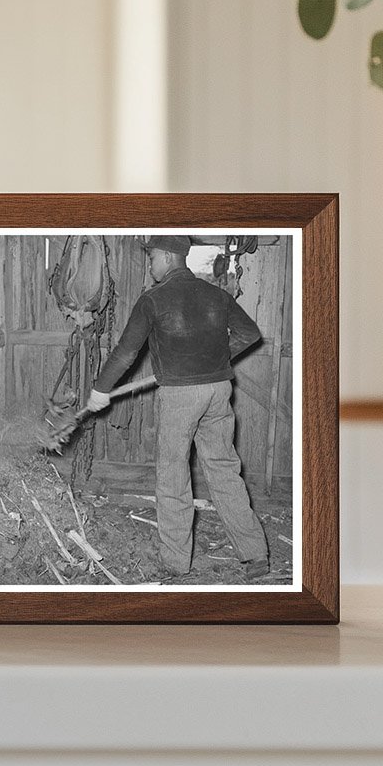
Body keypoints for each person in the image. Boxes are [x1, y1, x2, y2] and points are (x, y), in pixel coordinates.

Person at [87, 235, 270, 581]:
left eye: (152, 258)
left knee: (173, 476)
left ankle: (175, 562)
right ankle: (255, 555)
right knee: (224, 470)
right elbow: (249, 333)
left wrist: (100, 389)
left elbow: (126, 353)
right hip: (218, 390)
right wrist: (216, 359)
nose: (150, 265)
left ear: (168, 256)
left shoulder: (152, 300)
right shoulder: (217, 295)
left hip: (179, 397)